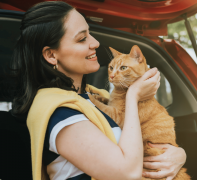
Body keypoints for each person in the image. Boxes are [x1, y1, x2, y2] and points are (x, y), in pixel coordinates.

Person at [11, 1, 187, 180]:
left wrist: (178, 155)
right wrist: (133, 96)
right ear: (51, 55)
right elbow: (127, 173)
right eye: (82, 38)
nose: (95, 43)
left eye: (90, 34)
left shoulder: (92, 98)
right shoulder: (60, 112)